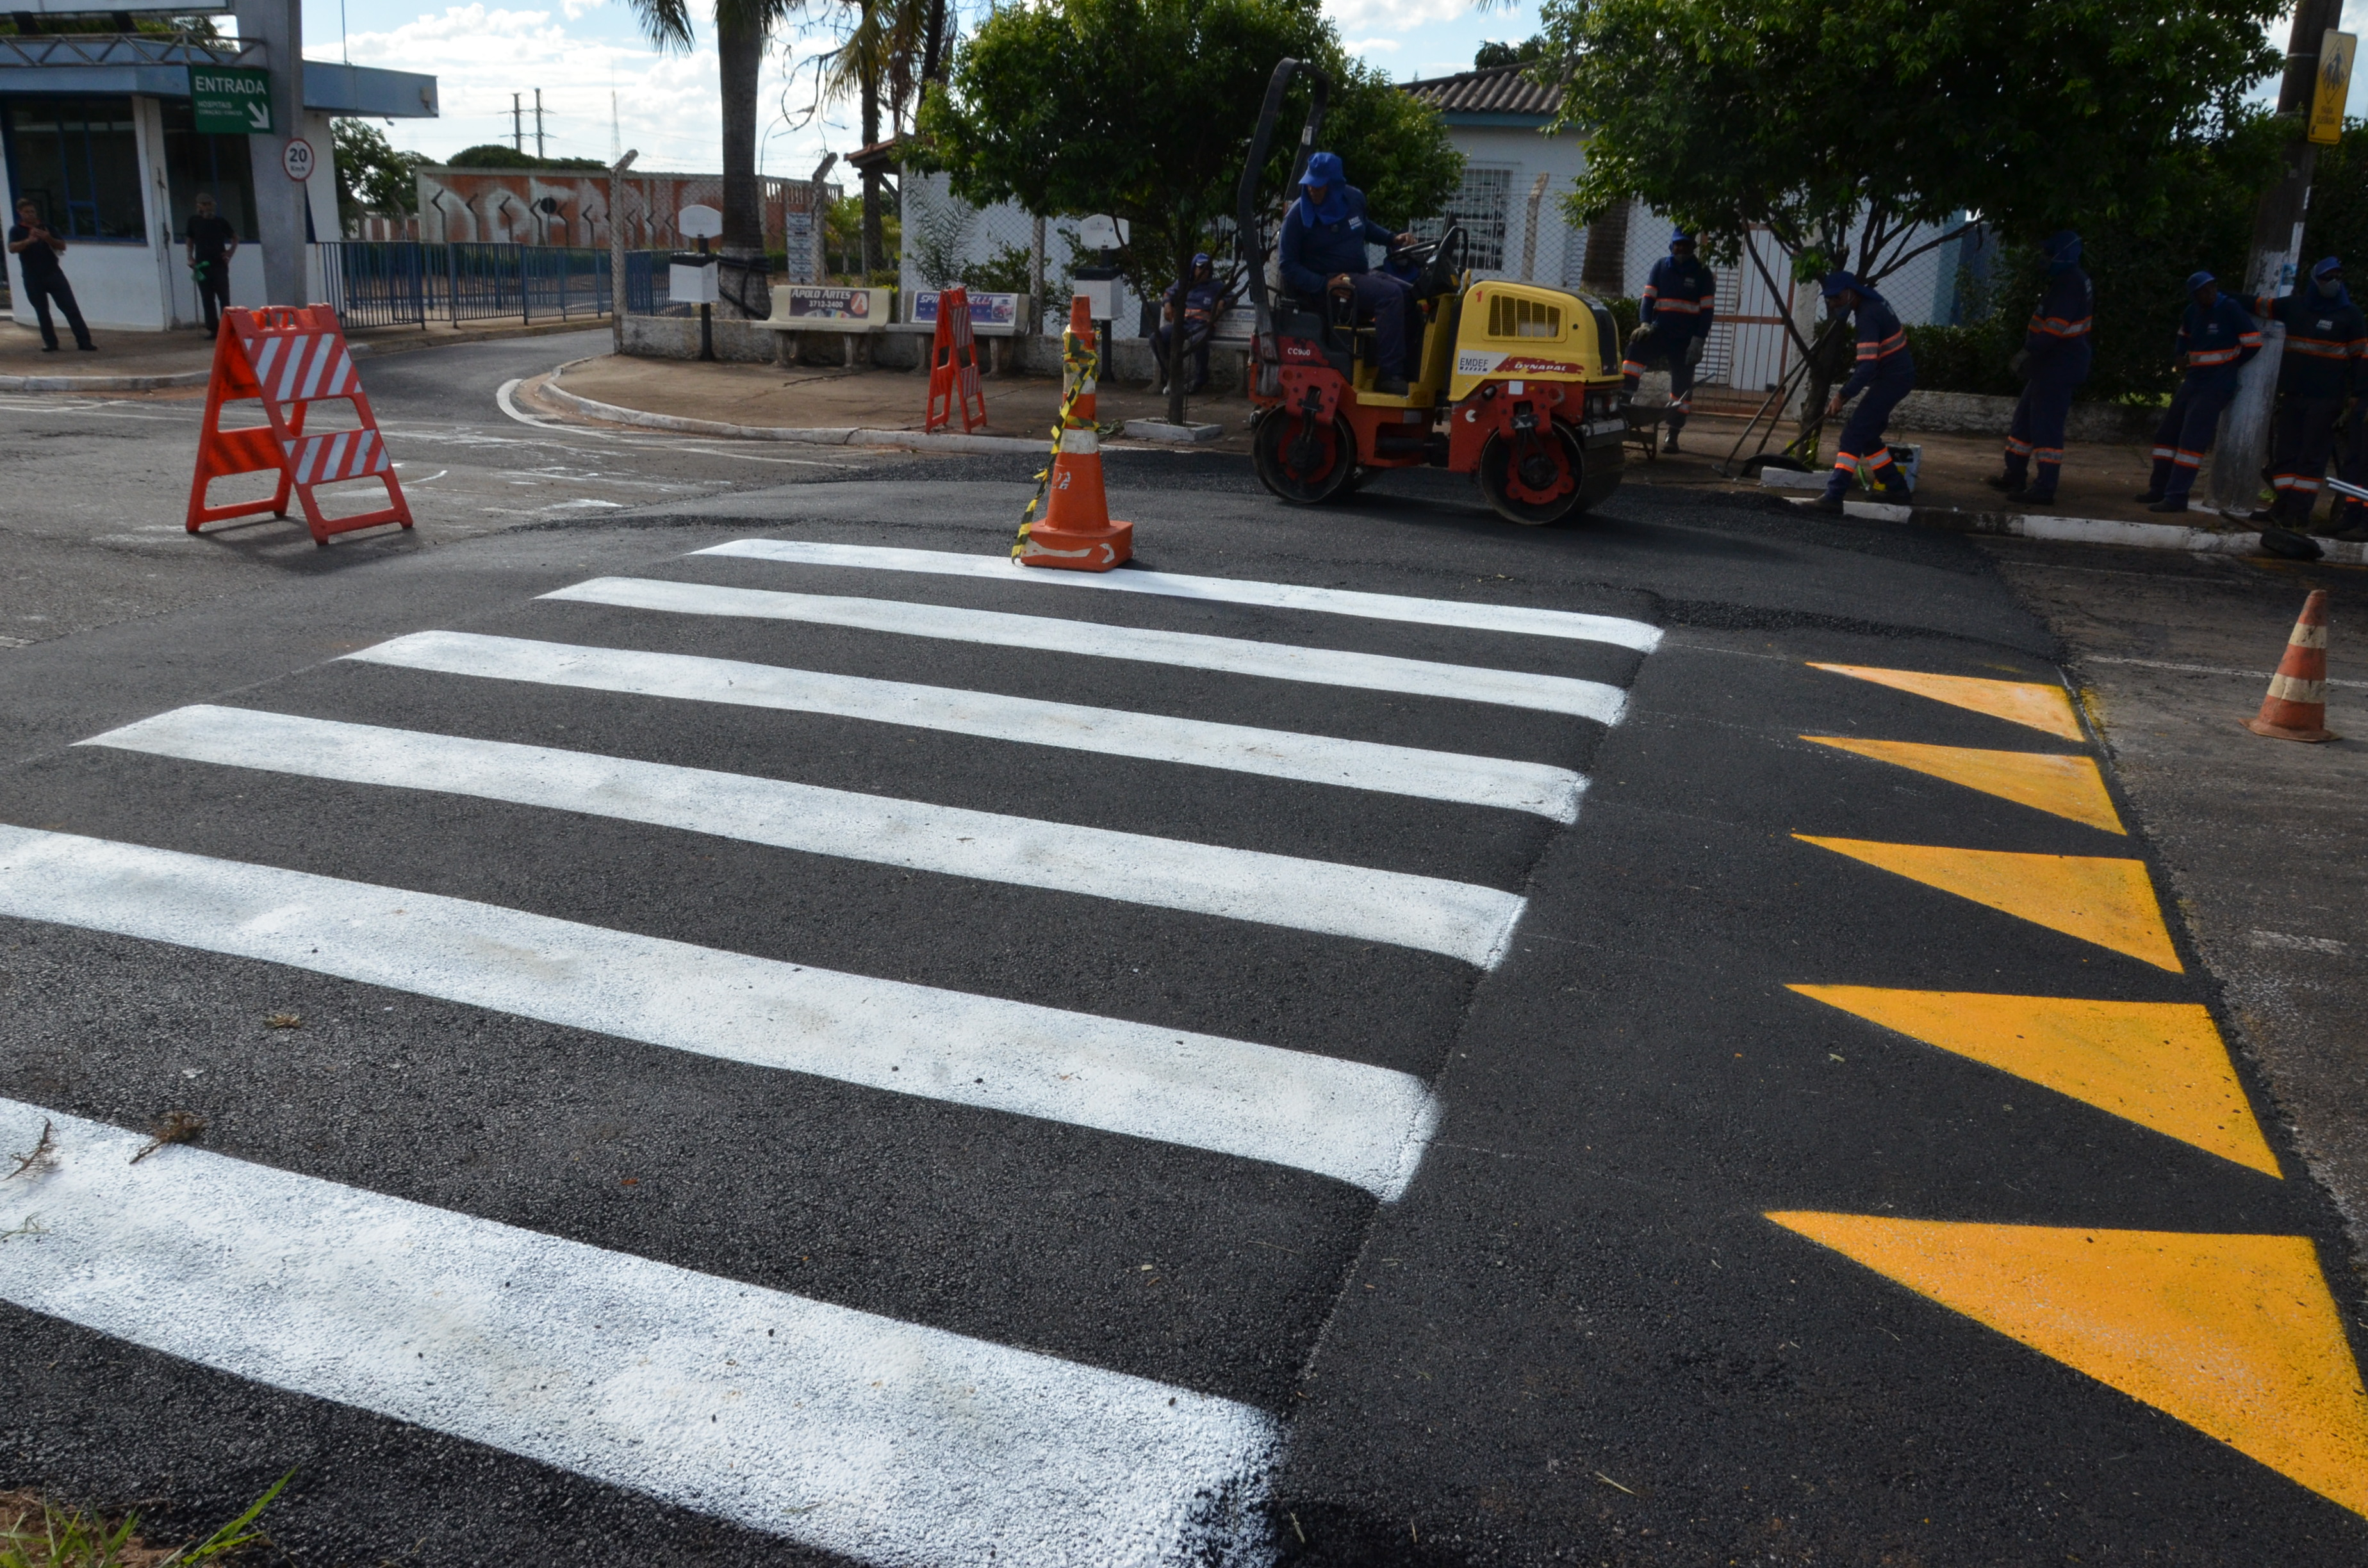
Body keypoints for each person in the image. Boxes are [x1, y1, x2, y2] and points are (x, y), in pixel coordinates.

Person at [1278, 151, 1419, 395]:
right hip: (1328, 285)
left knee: (1412, 296)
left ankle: (1408, 370)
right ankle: (1389, 375)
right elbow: (1287, 265)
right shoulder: (1297, 216)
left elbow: (1363, 226)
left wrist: (1392, 238)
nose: (1313, 190)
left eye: (1319, 186)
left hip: (1357, 274)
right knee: (1390, 296)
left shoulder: (1353, 199)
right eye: (1310, 184)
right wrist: (1324, 283)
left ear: (1335, 185)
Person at [2247, 257, 2365, 531]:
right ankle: (2283, 505)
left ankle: (2299, 512)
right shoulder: (2297, 307)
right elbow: (2260, 306)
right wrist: (2221, 298)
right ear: (2315, 280)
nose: (2333, 282)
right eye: (2327, 277)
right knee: (2286, 456)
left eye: (2338, 276)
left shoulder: (2351, 315)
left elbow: (2361, 360)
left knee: (2311, 458)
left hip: (2326, 400)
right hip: (2293, 396)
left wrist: (2358, 394)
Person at [2138, 271, 2260, 512]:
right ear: (2195, 295)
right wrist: (2179, 356)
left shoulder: (2230, 309)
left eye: (2213, 287)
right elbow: (2183, 336)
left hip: (2216, 384)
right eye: (2204, 290)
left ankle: (2176, 496)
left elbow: (2254, 343)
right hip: (2194, 380)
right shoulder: (2192, 312)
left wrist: (2230, 365)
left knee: (2191, 440)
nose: (2210, 293)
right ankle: (2158, 489)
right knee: (2167, 435)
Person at [1988, 230, 2093, 504]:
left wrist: (2027, 352)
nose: (2044, 258)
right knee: (2023, 423)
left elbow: (2053, 330)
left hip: (2058, 366)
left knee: (2046, 428)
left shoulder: (2070, 283)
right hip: (2048, 366)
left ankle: (2045, 488)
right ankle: (2015, 475)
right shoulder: (2066, 280)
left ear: (2063, 254)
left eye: (2049, 253)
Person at [1811, 272, 1915, 512]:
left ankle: (1834, 496)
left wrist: (1842, 395)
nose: (1833, 303)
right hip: (1896, 378)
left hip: (1893, 380)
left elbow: (1867, 366)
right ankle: (1897, 488)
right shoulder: (1872, 306)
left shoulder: (1867, 315)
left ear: (1851, 292)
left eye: (1836, 298)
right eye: (1830, 299)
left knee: (1853, 433)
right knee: (1867, 435)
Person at [1622, 230, 1718, 450]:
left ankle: (1673, 434)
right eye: (1678, 246)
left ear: (1693, 247)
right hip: (1660, 331)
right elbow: (1648, 300)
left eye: (1685, 245)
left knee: (1682, 386)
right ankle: (1624, 402)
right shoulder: (1661, 267)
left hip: (1685, 339)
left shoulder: (1702, 273)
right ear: (1671, 247)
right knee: (1635, 350)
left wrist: (1699, 340)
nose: (1681, 249)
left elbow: (1707, 311)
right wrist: (1645, 324)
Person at [7, 198, 95, 353]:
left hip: (53, 274)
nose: (30, 215)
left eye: (32, 212)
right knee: (42, 311)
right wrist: (29, 241)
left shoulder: (47, 227)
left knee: (70, 308)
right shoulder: (16, 230)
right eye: (27, 212)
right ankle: (50, 343)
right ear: (20, 213)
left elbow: (62, 246)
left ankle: (84, 341)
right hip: (32, 277)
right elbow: (12, 248)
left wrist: (48, 238)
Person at [1154, 252, 1227, 395]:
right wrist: (1167, 304)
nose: (1204, 272)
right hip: (1183, 325)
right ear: (1194, 269)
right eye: (1201, 268)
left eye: (1207, 269)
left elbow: (1230, 296)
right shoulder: (1184, 284)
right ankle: (1171, 377)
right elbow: (1168, 293)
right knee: (1156, 338)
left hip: (1202, 326)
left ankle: (1200, 379)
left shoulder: (1215, 285)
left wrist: (1222, 301)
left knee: (1198, 340)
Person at [184, 193, 239, 338]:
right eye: (205, 204)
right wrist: (190, 258)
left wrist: (230, 252)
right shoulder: (194, 221)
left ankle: (227, 328)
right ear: (199, 206)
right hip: (202, 265)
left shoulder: (220, 222)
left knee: (224, 298)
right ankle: (214, 329)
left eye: (210, 204)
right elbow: (190, 241)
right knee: (207, 298)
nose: (208, 207)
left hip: (219, 264)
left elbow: (235, 238)